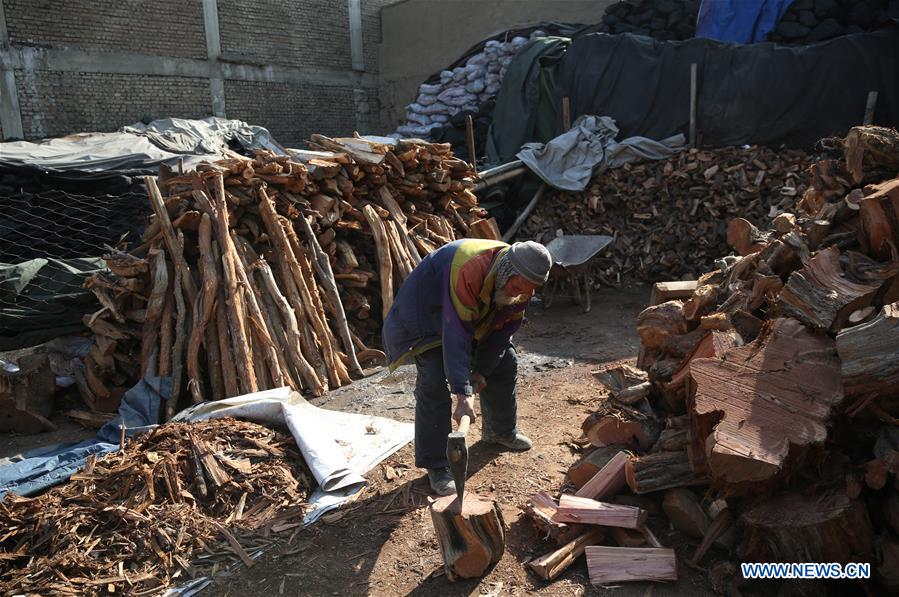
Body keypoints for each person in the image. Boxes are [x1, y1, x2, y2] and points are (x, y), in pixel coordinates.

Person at [382, 238, 553, 495]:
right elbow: (456, 333)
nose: (518, 294)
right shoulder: (469, 266)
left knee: (505, 360)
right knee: (434, 380)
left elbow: (504, 331)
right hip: (426, 318)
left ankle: (500, 431)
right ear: (506, 271)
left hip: (469, 317)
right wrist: (462, 394)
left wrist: (481, 370)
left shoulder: (523, 287)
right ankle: (437, 465)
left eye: (526, 291)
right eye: (516, 286)